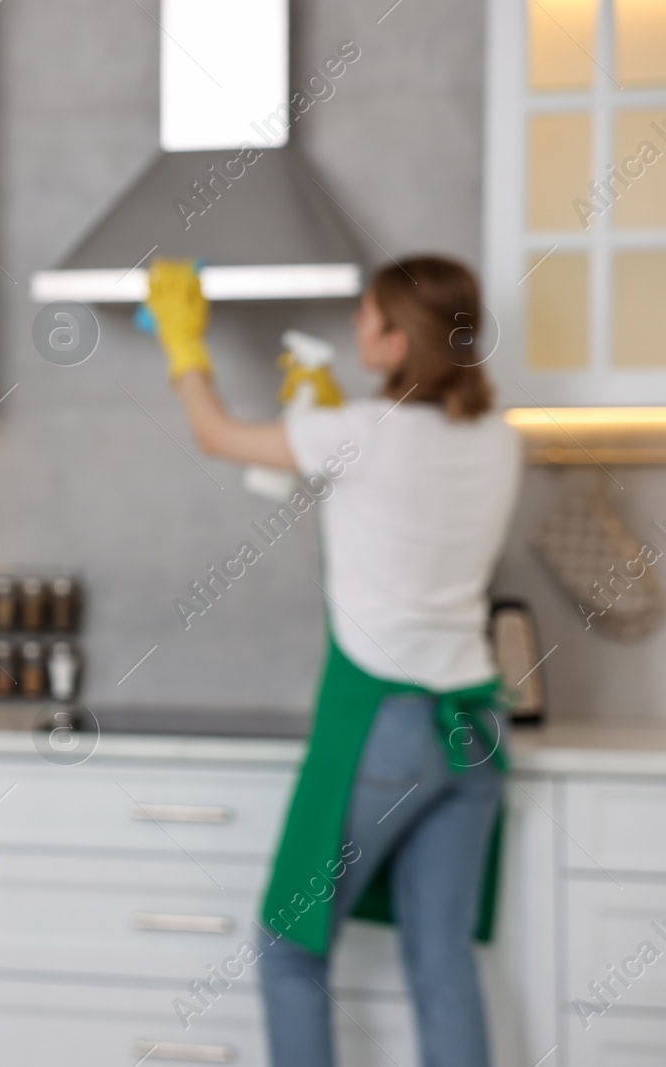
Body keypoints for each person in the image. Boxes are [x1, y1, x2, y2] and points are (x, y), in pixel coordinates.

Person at [146, 256, 521, 1067]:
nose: (356, 327)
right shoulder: (499, 440)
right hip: (477, 728)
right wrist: (326, 419)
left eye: (368, 317)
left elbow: (215, 435)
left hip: (384, 728)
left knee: (290, 943)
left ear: (396, 340)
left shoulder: (355, 432)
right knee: (444, 963)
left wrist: (185, 344)